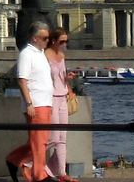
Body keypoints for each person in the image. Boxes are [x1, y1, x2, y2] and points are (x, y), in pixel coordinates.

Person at [6, 21, 55, 182]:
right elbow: (22, 80)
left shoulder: (41, 53)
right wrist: (29, 104)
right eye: (44, 38)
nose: (48, 41)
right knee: (39, 142)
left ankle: (13, 160)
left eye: (48, 38)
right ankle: (39, 176)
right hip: (36, 104)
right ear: (34, 38)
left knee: (41, 140)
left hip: (46, 103)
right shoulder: (27, 54)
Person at [45, 27, 77, 182]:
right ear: (53, 41)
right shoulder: (45, 56)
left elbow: (62, 77)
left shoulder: (62, 55)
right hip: (50, 98)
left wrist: (69, 85)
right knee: (54, 137)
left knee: (62, 138)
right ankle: (29, 161)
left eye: (66, 41)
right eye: (62, 41)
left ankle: (61, 173)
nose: (64, 44)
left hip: (63, 97)